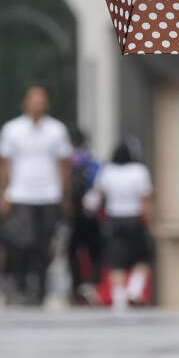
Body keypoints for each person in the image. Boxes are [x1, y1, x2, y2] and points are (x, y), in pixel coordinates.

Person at [0, 86, 72, 305]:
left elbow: (63, 164)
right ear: (25, 102)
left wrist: (65, 195)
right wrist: (2, 195)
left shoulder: (57, 130)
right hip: (20, 194)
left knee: (44, 244)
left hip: (49, 195)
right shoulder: (11, 129)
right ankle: (18, 283)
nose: (38, 104)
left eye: (42, 100)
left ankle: (40, 287)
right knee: (21, 242)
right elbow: (3, 165)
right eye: (34, 100)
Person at [85, 140, 153, 310]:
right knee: (142, 257)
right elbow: (144, 200)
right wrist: (149, 221)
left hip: (114, 220)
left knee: (117, 261)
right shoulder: (139, 171)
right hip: (134, 219)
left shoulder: (107, 171)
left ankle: (119, 300)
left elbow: (97, 196)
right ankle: (135, 290)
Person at [65, 128, 103, 305]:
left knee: (73, 251)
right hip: (89, 213)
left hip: (73, 214)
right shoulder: (92, 163)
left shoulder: (69, 162)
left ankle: (77, 287)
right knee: (94, 251)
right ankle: (91, 284)